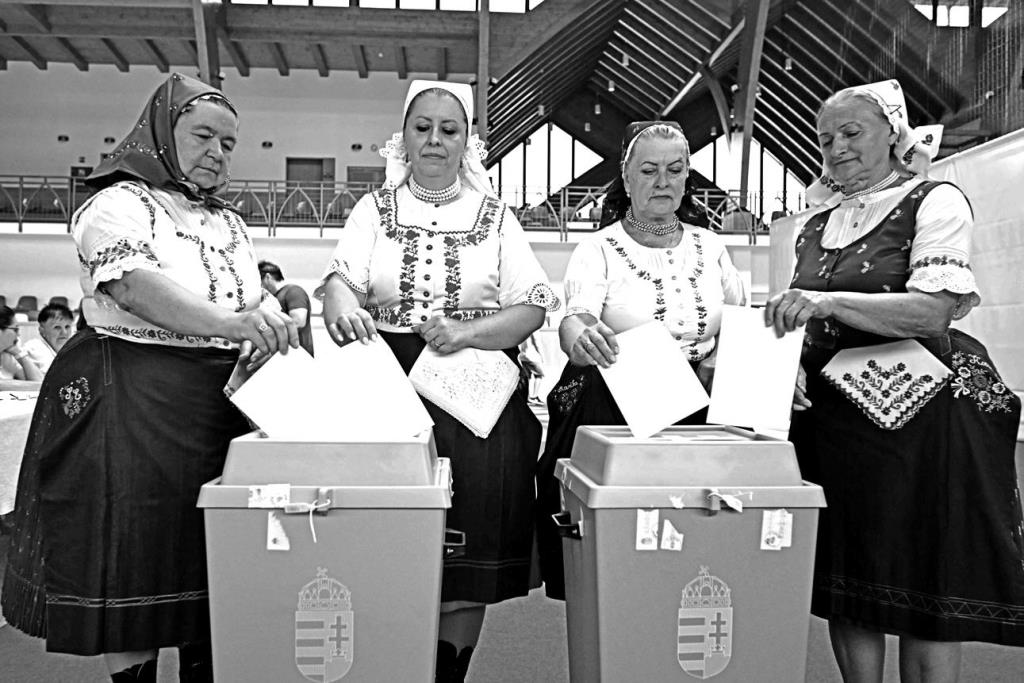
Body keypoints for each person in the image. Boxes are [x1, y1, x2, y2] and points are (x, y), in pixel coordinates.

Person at [0, 73, 298, 683]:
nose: (217, 153)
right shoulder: (116, 204)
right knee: (134, 554)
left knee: (206, 555)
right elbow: (133, 286)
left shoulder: (229, 224)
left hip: (213, 405)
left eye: (229, 143)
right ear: (161, 132)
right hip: (130, 393)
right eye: (203, 136)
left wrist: (275, 323)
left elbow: (250, 299)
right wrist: (233, 323)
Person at [764, 80, 1024, 682]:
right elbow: (798, 318)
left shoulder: (934, 200)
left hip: (924, 418)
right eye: (825, 138)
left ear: (892, 133)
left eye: (852, 132)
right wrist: (791, 361)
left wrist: (828, 303)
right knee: (850, 576)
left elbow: (933, 311)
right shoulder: (814, 225)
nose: (837, 147)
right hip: (837, 421)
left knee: (924, 578)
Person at [319, 79, 559, 683]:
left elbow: (532, 305)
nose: (434, 140)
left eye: (449, 129)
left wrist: (466, 332)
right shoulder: (373, 210)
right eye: (422, 127)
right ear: (402, 137)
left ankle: (450, 672)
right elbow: (340, 281)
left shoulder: (496, 216)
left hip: (478, 395)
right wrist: (343, 307)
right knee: (388, 538)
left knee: (468, 544)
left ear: (467, 141)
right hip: (389, 386)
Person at [535, 121, 747, 600]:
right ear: (626, 178)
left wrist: (726, 360)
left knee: (696, 541)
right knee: (627, 543)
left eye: (675, 170)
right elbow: (576, 317)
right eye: (649, 170)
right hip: (621, 408)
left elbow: (739, 320)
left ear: (688, 176)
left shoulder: (712, 246)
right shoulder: (599, 247)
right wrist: (580, 338)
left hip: (703, 411)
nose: (663, 181)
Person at [259, 260, 314, 356]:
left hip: (296, 356)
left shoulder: (293, 291)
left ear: (267, 277)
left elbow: (298, 322)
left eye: (258, 282)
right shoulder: (273, 298)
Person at [22, 302, 75, 373]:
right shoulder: (34, 347)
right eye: (57, 327)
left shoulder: (73, 348)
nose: (64, 332)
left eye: (67, 327)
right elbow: (54, 375)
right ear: (42, 330)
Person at [0, 305, 43, 382]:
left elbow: (38, 382)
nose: (18, 334)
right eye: (15, 329)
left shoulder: (6, 355)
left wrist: (19, 354)